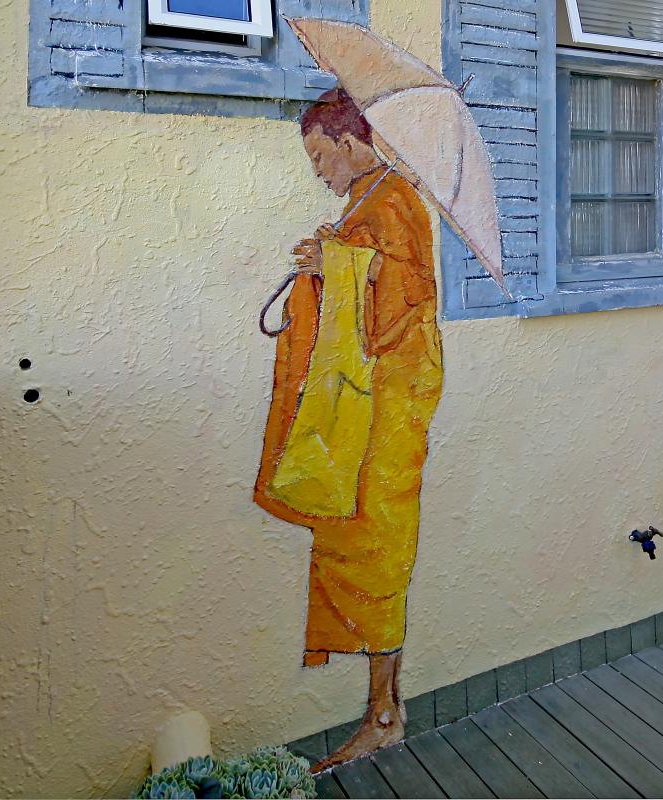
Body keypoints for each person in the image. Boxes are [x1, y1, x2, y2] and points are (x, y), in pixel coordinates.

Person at [253, 88, 443, 771]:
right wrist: (326, 262)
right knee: (345, 539)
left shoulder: (397, 200)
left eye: (318, 157)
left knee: (377, 547)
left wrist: (335, 264)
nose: (317, 172)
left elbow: (404, 300)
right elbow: (355, 291)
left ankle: (383, 713)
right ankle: (378, 709)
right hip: (356, 413)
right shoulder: (364, 202)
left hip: (387, 413)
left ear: (346, 141)